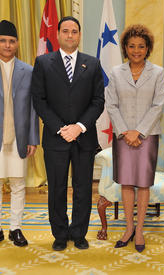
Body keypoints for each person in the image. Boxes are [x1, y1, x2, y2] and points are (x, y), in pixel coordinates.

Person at [31, 16, 104, 251]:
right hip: (55, 137)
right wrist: (61, 128)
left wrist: (79, 127)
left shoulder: (92, 64)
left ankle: (79, 233)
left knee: (83, 188)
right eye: (65, 31)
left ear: (79, 35)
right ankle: (60, 234)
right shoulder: (43, 63)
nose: (70, 35)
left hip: (84, 137)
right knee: (57, 189)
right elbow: (39, 100)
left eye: (74, 31)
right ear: (58, 34)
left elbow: (98, 101)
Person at [105, 24, 164, 253]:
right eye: (132, 46)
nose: (136, 50)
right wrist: (125, 132)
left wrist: (138, 132)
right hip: (122, 135)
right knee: (127, 182)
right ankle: (128, 228)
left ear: (148, 48)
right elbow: (111, 104)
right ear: (125, 48)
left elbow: (158, 105)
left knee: (143, 183)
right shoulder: (115, 73)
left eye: (141, 46)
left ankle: (140, 230)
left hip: (147, 136)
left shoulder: (158, 72)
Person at [0, 20, 39, 246]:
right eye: (3, 41)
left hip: (19, 137)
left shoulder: (28, 70)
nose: (7, 45)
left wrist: (33, 138)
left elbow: (34, 109)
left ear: (17, 43)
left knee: (18, 184)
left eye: (11, 41)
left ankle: (16, 228)